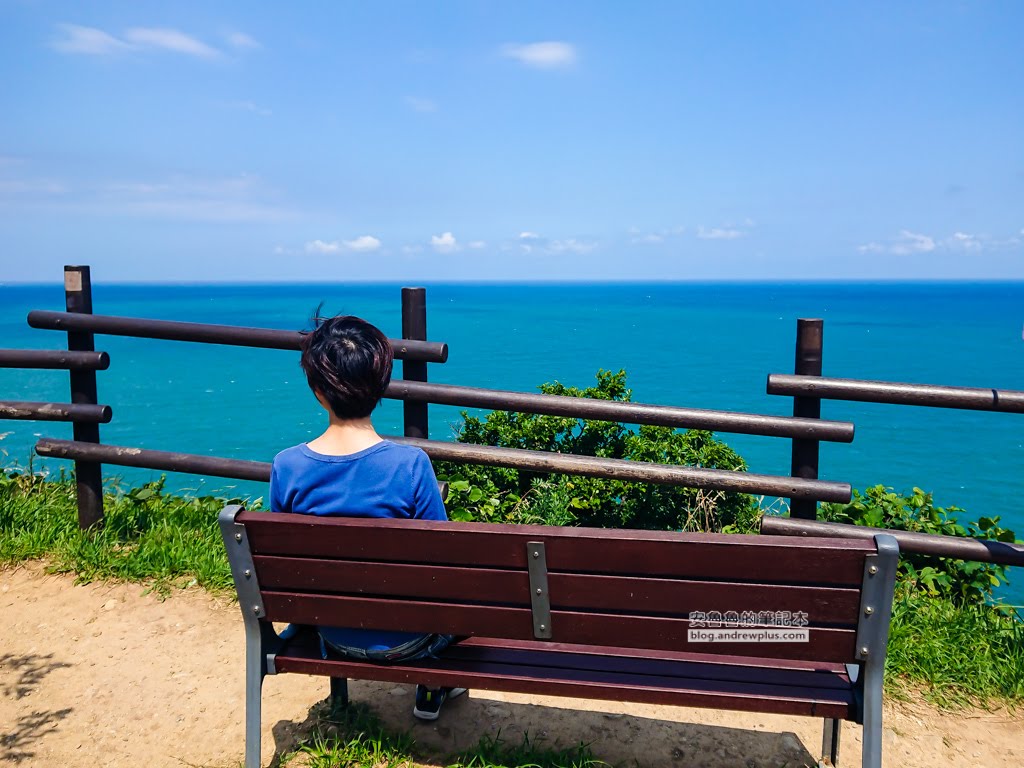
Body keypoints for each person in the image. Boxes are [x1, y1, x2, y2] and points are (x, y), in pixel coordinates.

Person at [269, 311, 465, 721]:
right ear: (381, 386)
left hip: (332, 635)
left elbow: (289, 568)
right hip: (411, 640)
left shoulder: (287, 467)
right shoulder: (410, 465)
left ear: (317, 390)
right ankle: (432, 683)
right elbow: (445, 565)